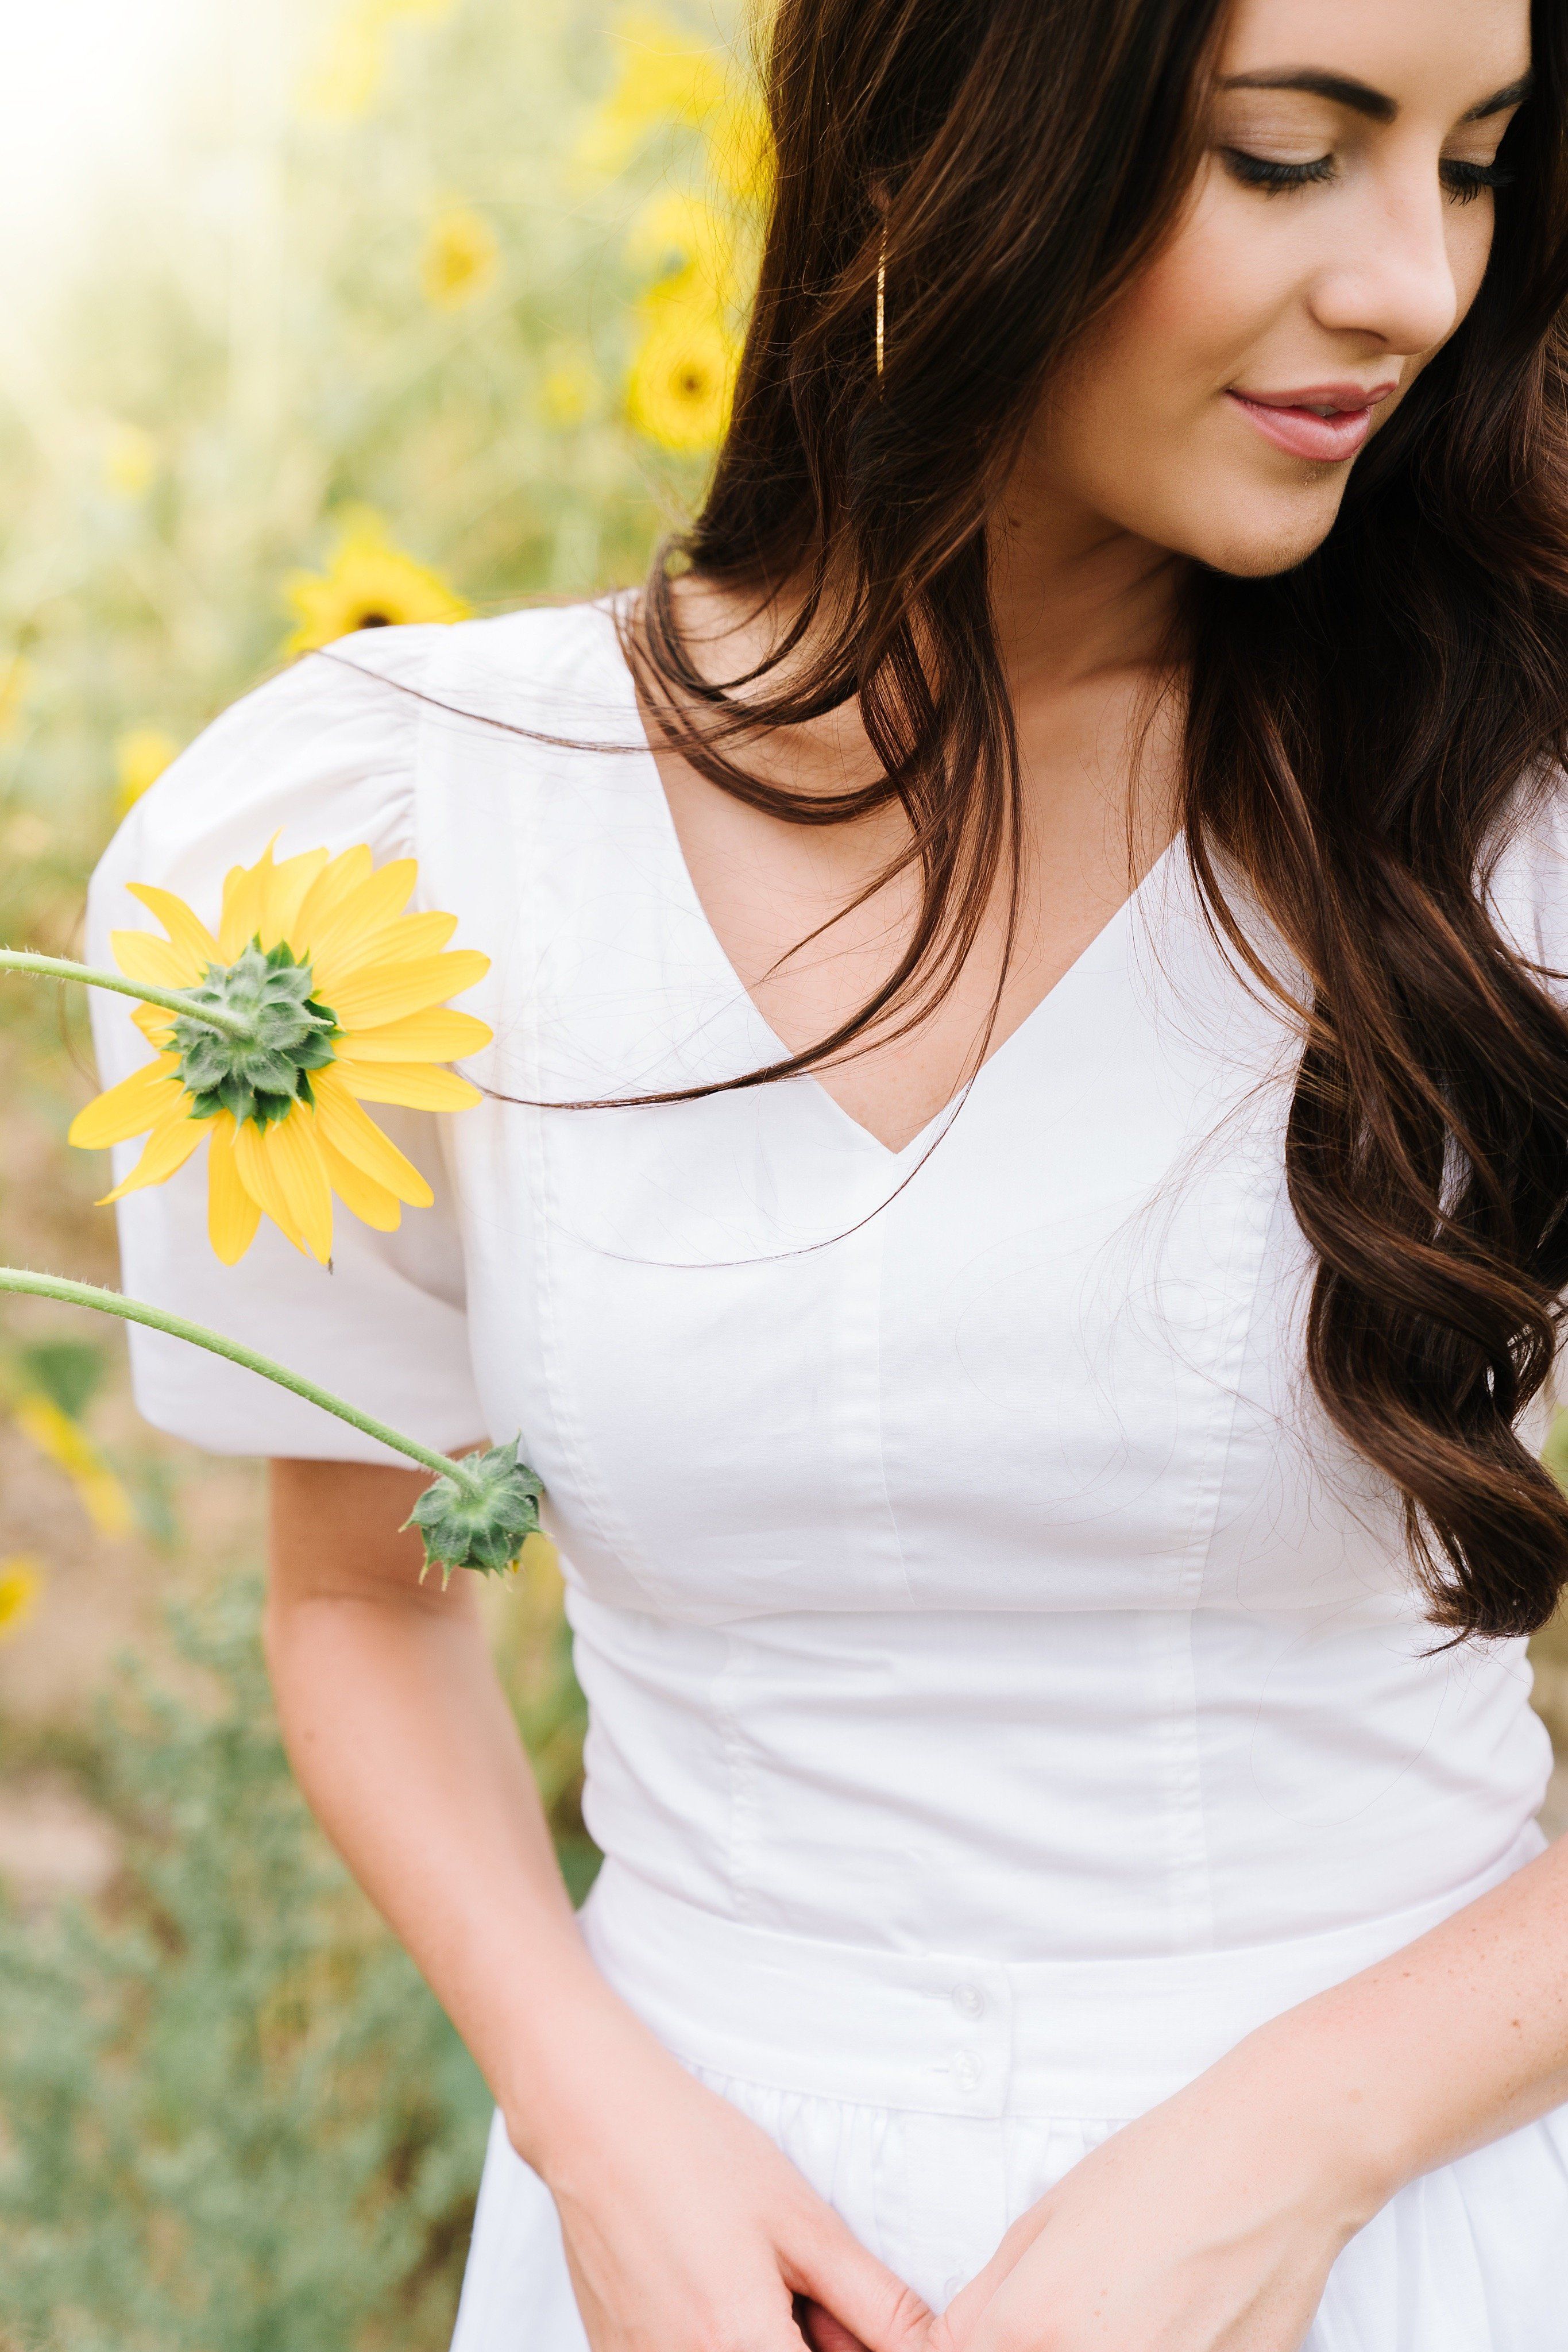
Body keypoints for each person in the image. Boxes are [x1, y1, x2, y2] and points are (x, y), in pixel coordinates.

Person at [82, 0, 1568, 2345]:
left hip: (1394, 2238)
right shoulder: (379, 842)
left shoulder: (1509, 824)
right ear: (942, 136)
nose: (1411, 281)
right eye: (1290, 154)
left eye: (1473, 162)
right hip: (684, 2245)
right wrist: (590, 2114)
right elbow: (359, 1597)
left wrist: (1290, 2153)